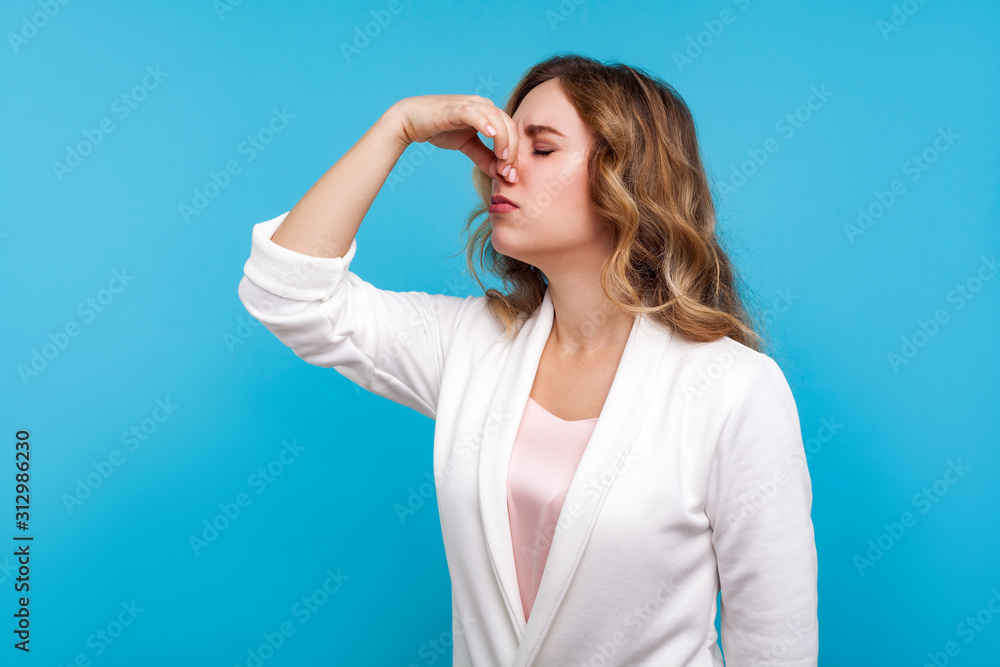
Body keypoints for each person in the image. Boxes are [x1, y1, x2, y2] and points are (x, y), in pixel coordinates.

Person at [237, 53, 818, 666]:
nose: (503, 166)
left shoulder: (734, 390)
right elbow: (286, 291)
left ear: (628, 177)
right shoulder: (473, 345)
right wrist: (398, 127)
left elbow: (775, 643)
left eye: (542, 149)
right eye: (507, 143)